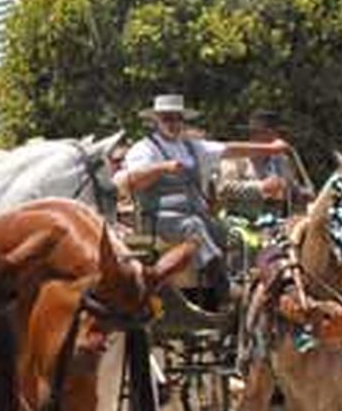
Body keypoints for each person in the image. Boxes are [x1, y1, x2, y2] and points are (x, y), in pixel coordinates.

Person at [114, 94, 290, 310]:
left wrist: (270, 149)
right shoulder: (145, 149)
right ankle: (224, 289)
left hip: (198, 214)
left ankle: (252, 290)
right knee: (194, 228)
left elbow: (230, 149)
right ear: (156, 121)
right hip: (162, 218)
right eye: (167, 119)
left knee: (234, 234)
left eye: (177, 118)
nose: (173, 123)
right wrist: (161, 168)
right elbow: (130, 181)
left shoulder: (192, 147)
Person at [217, 110, 312, 220]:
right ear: (254, 134)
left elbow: (292, 188)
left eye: (276, 133)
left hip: (276, 222)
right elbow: (224, 188)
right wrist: (261, 187)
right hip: (240, 221)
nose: (275, 138)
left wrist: (301, 193)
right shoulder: (236, 158)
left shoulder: (281, 160)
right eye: (268, 133)